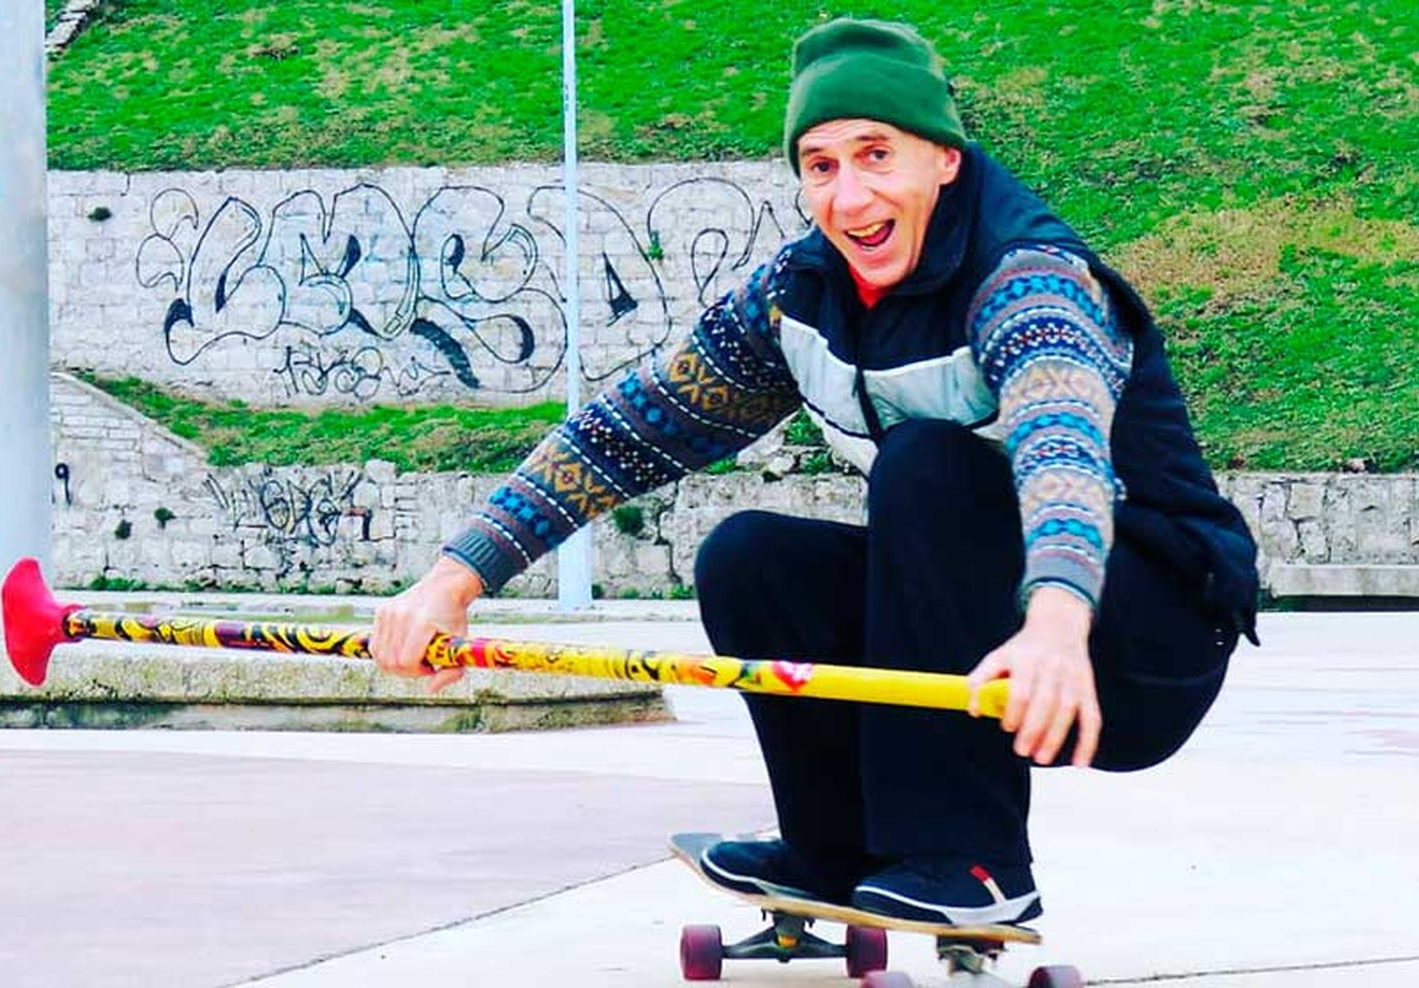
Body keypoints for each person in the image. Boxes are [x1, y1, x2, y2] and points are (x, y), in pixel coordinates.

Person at [371, 18, 1259, 927]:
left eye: (877, 155)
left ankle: (974, 867)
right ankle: (833, 851)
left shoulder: (1029, 278)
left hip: (1135, 638)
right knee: (750, 556)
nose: (850, 197)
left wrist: (1060, 619)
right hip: (994, 625)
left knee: (927, 466)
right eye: (821, 166)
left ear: (945, 159)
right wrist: (454, 578)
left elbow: (1060, 446)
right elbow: (626, 432)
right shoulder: (797, 296)